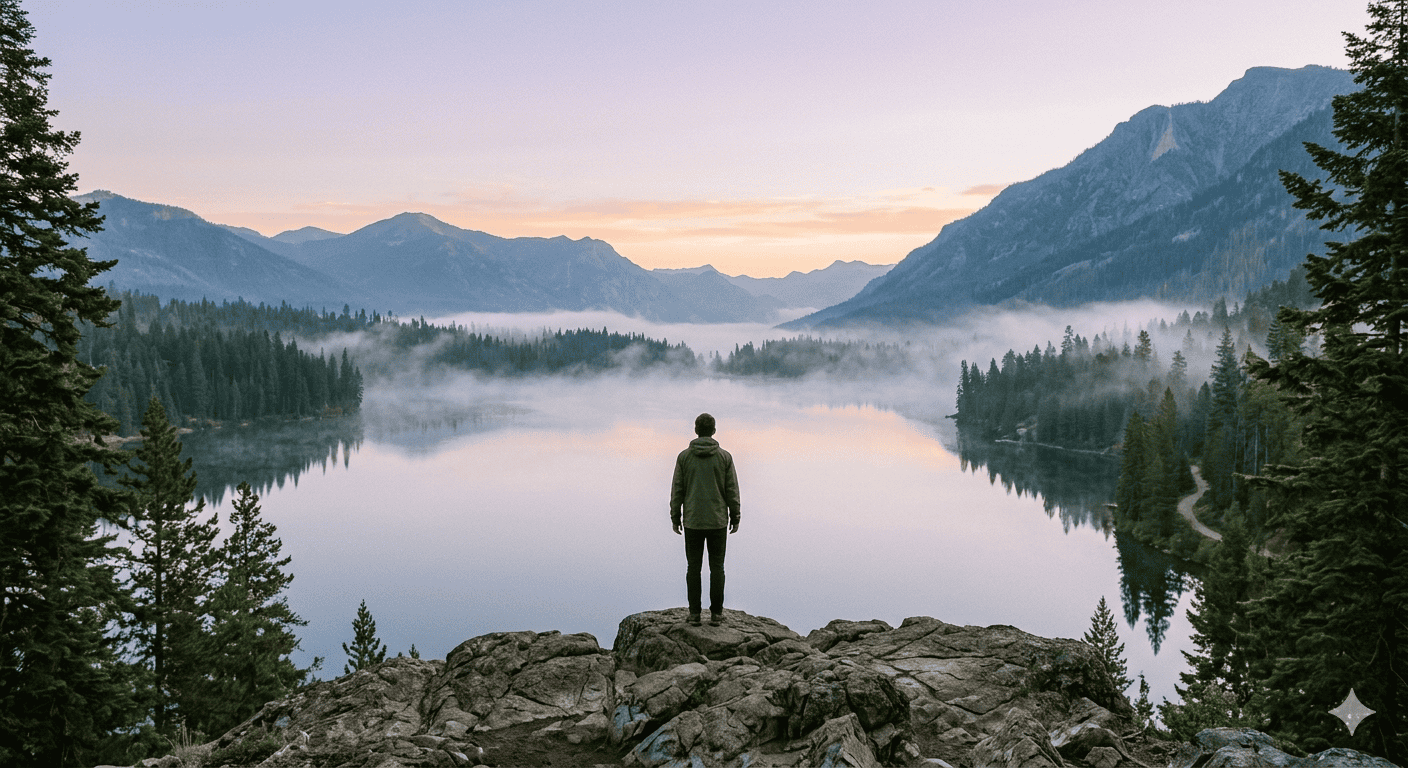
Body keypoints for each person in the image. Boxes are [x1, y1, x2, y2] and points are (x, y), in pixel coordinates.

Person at [670, 412, 740, 627]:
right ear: (714, 431)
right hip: (718, 521)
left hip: (692, 521)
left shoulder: (684, 457)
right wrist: (735, 515)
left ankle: (694, 614)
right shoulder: (725, 457)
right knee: (717, 567)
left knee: (693, 568)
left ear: (695, 430)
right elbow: (732, 490)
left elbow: (677, 490)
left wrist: (675, 516)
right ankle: (717, 614)